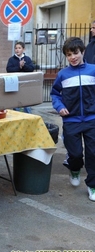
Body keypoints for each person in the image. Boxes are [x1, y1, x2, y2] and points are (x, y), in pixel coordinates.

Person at [50, 37, 95, 201]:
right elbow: (55, 94)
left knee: (93, 153)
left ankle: (92, 185)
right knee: (75, 154)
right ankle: (75, 168)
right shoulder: (63, 74)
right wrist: (59, 106)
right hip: (71, 121)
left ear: (82, 52)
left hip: (92, 119)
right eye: (69, 54)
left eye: (75, 53)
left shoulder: (93, 70)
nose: (73, 57)